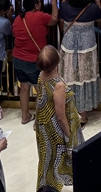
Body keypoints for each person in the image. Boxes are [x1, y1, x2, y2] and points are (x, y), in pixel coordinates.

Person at [35, 45, 82, 191]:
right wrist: (69, 136)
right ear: (57, 61)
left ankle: (46, 188)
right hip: (57, 131)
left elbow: (40, 99)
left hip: (45, 126)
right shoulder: (58, 85)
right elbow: (60, 116)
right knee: (59, 161)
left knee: (47, 161)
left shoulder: (41, 76)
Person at [57, 0, 101, 125]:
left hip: (68, 47)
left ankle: (68, 111)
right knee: (84, 78)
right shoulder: (91, 8)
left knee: (69, 77)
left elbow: (61, 16)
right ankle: (82, 115)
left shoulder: (65, 6)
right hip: (86, 49)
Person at [12, 0, 57, 124]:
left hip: (17, 59)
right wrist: (53, 0)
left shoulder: (18, 18)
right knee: (41, 91)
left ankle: (25, 116)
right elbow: (54, 19)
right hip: (34, 61)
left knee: (24, 88)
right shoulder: (40, 16)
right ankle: (39, 120)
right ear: (36, 5)